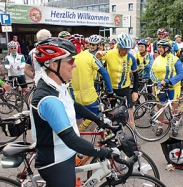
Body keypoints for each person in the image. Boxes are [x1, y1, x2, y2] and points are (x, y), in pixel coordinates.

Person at [31, 37, 115, 187]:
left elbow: (74, 105)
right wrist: (104, 152)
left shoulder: (57, 85)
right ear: (53, 64)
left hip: (65, 154)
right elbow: (71, 140)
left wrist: (99, 120)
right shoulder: (49, 99)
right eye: (69, 61)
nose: (74, 65)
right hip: (56, 162)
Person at [70, 34, 113, 131]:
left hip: (75, 97)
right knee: (96, 121)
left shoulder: (68, 59)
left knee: (77, 121)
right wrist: (110, 91)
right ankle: (95, 143)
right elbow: (105, 73)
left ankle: (77, 138)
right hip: (89, 97)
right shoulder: (89, 56)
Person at [96, 32, 139, 129]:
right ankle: (109, 134)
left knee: (129, 112)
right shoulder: (109, 53)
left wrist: (135, 91)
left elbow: (136, 75)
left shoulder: (130, 57)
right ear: (118, 46)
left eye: (128, 49)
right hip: (111, 88)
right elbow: (94, 60)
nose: (126, 52)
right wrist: (97, 55)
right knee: (109, 113)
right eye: (124, 49)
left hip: (125, 88)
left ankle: (132, 135)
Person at [150, 39, 183, 137]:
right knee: (160, 107)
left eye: (161, 47)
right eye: (159, 47)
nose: (159, 49)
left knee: (174, 108)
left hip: (173, 87)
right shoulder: (157, 59)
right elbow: (152, 72)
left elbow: (181, 73)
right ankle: (160, 126)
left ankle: (174, 125)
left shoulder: (174, 59)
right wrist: (157, 83)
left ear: (167, 48)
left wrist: (170, 81)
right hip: (160, 87)